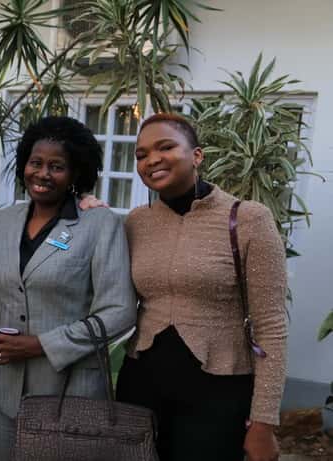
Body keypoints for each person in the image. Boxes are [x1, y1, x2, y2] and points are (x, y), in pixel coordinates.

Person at [0, 116, 137, 461]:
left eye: (57, 166)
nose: (42, 174)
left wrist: (42, 345)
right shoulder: (4, 221)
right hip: (1, 393)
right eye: (35, 162)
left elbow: (119, 311)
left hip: (70, 393)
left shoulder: (99, 224)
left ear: (76, 173)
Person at [115, 113, 286, 461]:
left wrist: (264, 421)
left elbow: (271, 326)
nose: (152, 160)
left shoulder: (249, 219)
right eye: (142, 154)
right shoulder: (136, 222)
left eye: (166, 147)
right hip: (141, 385)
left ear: (197, 155)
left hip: (218, 391)